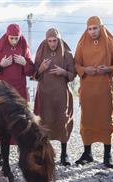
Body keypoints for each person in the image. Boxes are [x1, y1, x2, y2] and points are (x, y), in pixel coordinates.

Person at [74, 16, 113, 168]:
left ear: (101, 27)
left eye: (95, 28)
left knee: (106, 120)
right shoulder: (82, 43)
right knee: (87, 119)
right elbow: (76, 63)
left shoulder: (111, 43)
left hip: (106, 88)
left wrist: (108, 69)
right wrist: (84, 70)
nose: (92, 32)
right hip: (88, 88)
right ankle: (87, 153)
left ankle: (107, 155)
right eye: (90, 29)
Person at [0, 24, 35, 166]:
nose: (14, 41)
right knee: (2, 122)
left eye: (16, 38)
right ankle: (2, 154)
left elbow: (31, 70)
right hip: (3, 92)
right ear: (7, 36)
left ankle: (23, 153)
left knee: (21, 122)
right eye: (12, 38)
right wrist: (0, 65)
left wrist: (25, 62)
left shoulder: (24, 47)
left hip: (19, 92)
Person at [33, 28, 75, 166]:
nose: (52, 44)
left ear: (59, 39)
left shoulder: (67, 54)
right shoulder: (40, 53)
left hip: (61, 94)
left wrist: (63, 72)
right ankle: (45, 153)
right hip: (44, 95)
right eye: (49, 41)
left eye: (55, 40)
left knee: (63, 122)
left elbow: (73, 75)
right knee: (45, 123)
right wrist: (41, 69)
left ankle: (64, 154)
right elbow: (34, 75)